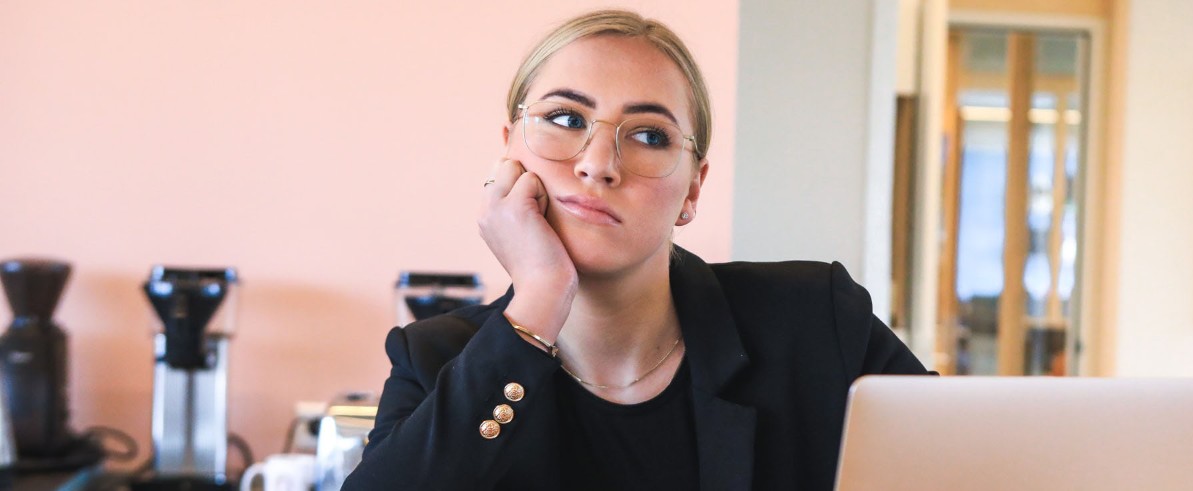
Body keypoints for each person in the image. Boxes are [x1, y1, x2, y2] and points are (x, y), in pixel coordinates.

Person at [341, 9, 929, 491]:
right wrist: (541, 300)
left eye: (648, 135)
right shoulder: (434, 357)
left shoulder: (815, 322)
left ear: (692, 189)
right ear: (508, 154)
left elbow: (974, 461)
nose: (598, 163)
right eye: (565, 118)